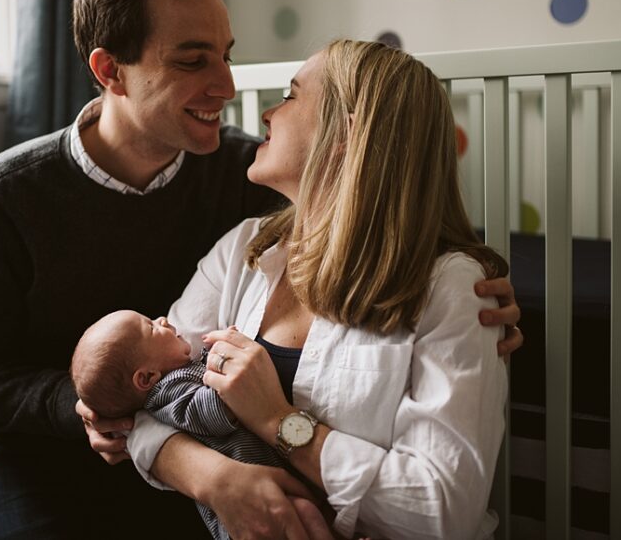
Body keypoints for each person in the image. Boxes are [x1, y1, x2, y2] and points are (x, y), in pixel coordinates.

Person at [0, 0, 522, 539]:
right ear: (111, 71)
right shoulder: (1, 197)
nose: (229, 86)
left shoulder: (247, 172)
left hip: (179, 428)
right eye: (192, 61)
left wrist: (474, 296)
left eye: (226, 55)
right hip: (42, 440)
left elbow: (378, 209)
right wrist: (106, 414)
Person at [94, 39, 511, 539]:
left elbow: (441, 511)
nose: (267, 113)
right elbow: (146, 408)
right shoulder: (243, 250)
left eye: (290, 96)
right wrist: (217, 480)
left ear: (346, 134)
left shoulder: (451, 287)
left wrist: (279, 421)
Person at [70, 310, 335, 540]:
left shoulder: (181, 375)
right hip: (245, 512)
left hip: (267, 484)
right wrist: (233, 371)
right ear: (147, 377)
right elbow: (206, 414)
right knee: (305, 516)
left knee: (310, 514)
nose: (162, 320)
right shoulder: (166, 393)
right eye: (151, 327)